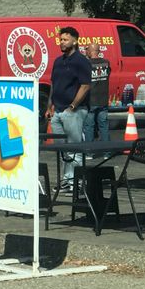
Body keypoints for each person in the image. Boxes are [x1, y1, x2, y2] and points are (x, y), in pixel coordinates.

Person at [46, 26, 91, 190]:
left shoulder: (81, 61)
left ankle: (77, 182)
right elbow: (53, 84)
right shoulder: (58, 61)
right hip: (57, 111)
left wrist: (73, 106)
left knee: (74, 147)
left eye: (65, 39)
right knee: (63, 149)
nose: (62, 42)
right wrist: (49, 105)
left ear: (75, 41)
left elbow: (85, 86)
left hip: (74, 111)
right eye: (60, 39)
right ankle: (67, 181)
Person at [82, 43, 111, 148]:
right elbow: (108, 74)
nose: (86, 52)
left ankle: (89, 150)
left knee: (89, 126)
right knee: (104, 126)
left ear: (90, 51)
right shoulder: (106, 63)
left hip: (91, 100)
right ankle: (107, 152)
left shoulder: (86, 64)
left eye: (87, 50)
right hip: (103, 100)